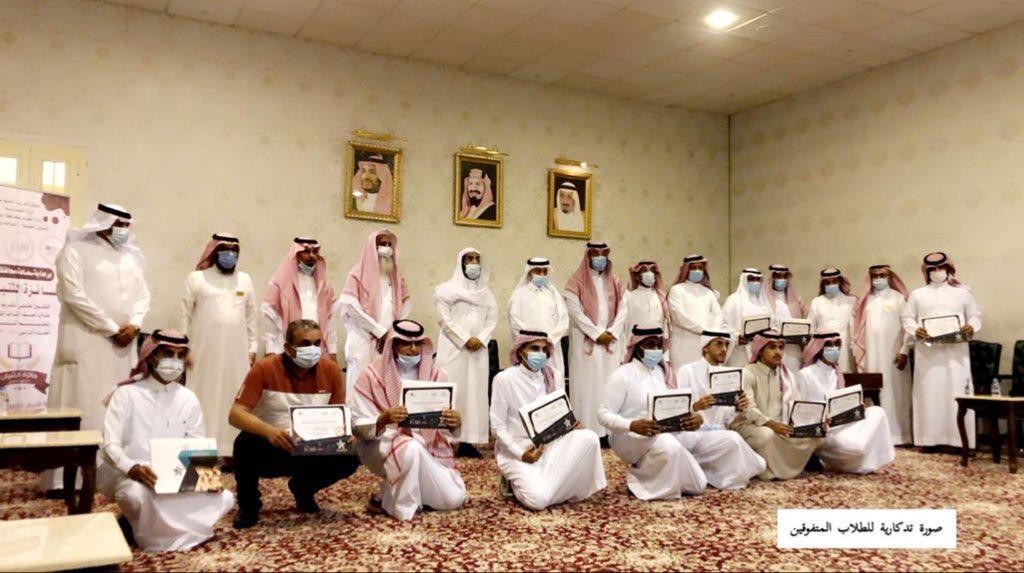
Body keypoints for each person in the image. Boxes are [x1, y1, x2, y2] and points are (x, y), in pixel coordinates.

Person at [99, 330, 234, 551]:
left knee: (226, 498)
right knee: (133, 496)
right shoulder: (126, 394)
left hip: (176, 474)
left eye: (180, 355)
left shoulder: (188, 397)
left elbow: (195, 444)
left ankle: (150, 527)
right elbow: (110, 445)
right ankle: (134, 523)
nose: (175, 361)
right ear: (151, 356)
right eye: (168, 353)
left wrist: (206, 477)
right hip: (135, 473)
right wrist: (132, 468)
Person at [48, 203, 151, 490]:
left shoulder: (130, 259)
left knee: (116, 408)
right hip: (87, 343)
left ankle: (113, 473)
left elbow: (144, 296)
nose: (123, 230)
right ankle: (66, 480)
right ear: (103, 222)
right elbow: (73, 295)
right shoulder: (75, 251)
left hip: (122, 348)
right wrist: (111, 328)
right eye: (119, 224)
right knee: (82, 404)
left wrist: (135, 325)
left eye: (127, 225)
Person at [228, 320, 359, 529]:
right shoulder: (264, 368)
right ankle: (248, 505)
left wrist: (346, 433)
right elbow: (236, 415)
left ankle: (303, 487)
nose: (313, 350)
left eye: (317, 344)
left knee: (351, 455)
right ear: (288, 348)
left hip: (313, 446)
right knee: (244, 444)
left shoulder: (331, 371)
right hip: (273, 445)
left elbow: (338, 414)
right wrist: (269, 432)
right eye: (305, 344)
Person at [350, 320, 467, 521]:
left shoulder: (437, 375)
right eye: (406, 343)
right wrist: (382, 420)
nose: (413, 349)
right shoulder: (371, 375)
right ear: (393, 345)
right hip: (381, 443)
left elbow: (445, 428)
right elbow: (356, 424)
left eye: (418, 344)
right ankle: (402, 509)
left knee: (453, 499)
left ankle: (385, 494)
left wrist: (454, 423)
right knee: (411, 448)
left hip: (429, 445)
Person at [489, 331, 606, 510]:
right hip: (520, 449)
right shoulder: (504, 379)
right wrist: (520, 453)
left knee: (589, 438)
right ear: (520, 350)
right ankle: (513, 483)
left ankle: (548, 484)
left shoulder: (553, 375)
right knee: (538, 501)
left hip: (551, 443)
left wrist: (572, 425)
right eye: (535, 348)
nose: (541, 354)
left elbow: (560, 412)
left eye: (544, 349)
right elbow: (497, 426)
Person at [599, 327, 702, 500]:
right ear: (637, 346)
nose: (655, 350)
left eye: (658, 345)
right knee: (669, 445)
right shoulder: (622, 375)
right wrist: (632, 425)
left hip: (662, 433)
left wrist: (692, 417)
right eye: (650, 345)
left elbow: (675, 406)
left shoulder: (664, 373)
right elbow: (603, 414)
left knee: (698, 483)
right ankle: (639, 480)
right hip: (628, 437)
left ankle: (658, 474)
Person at [181, 233, 257, 457]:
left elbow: (251, 317)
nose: (230, 254)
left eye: (234, 250)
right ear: (214, 252)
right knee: (203, 396)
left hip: (237, 353)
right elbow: (185, 315)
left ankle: (232, 452)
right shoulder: (197, 278)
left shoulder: (245, 280)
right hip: (204, 351)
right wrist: (183, 348)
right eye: (225, 249)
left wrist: (253, 348)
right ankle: (201, 450)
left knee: (234, 397)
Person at [901, 252, 981, 450]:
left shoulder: (963, 293)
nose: (937, 272)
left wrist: (971, 326)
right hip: (928, 353)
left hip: (956, 353)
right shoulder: (918, 294)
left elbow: (975, 315)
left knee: (957, 391)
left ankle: (960, 441)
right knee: (929, 393)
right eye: (933, 269)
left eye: (941, 268)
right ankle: (928, 440)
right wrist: (915, 330)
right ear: (927, 272)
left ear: (948, 269)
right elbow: (907, 318)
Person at [675, 329, 767, 488]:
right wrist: (696, 406)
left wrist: (738, 407)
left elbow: (726, 418)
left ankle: (713, 472)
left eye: (726, 345)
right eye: (718, 344)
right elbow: (677, 409)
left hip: (719, 432)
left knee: (755, 460)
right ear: (705, 347)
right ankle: (725, 479)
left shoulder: (729, 375)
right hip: (692, 434)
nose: (724, 349)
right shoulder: (687, 371)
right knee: (735, 442)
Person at [730, 332, 824, 480]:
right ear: (760, 350)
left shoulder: (787, 375)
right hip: (750, 426)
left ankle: (787, 466)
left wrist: (814, 422)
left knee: (817, 435)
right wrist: (772, 424)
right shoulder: (748, 373)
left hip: (780, 426)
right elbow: (748, 409)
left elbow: (797, 407)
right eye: (772, 347)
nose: (778, 352)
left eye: (781, 347)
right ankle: (767, 471)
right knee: (766, 435)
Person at [798, 333, 895, 473]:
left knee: (877, 412)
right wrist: (820, 420)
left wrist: (857, 408)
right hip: (825, 432)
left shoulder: (836, 372)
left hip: (845, 424)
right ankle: (858, 458)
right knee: (857, 446)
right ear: (818, 348)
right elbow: (800, 412)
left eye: (837, 344)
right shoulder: (805, 374)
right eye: (829, 345)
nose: (834, 348)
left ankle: (867, 457)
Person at [433, 248, 498, 450]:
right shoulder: (446, 290)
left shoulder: (486, 293)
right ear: (461, 263)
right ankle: (448, 440)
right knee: (455, 392)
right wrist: (465, 339)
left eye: (477, 259)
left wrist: (481, 339)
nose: (474, 263)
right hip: (454, 349)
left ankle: (469, 441)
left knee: (475, 394)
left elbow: (492, 319)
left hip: (478, 350)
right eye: (469, 259)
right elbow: (444, 319)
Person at [564, 242, 627, 436]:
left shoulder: (615, 281)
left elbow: (624, 309)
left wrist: (612, 332)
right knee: (588, 388)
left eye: (603, 254)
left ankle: (610, 431)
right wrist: (597, 334)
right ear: (588, 256)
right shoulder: (576, 282)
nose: (600, 258)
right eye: (595, 254)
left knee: (610, 386)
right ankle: (589, 431)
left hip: (610, 343)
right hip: (586, 345)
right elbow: (575, 312)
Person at [339, 229, 410, 397]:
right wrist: (379, 332)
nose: (387, 248)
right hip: (362, 339)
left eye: (389, 244)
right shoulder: (357, 274)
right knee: (359, 390)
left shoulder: (396, 277)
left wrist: (392, 333)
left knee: (384, 391)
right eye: (382, 244)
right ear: (372, 247)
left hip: (388, 341)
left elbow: (405, 307)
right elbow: (351, 308)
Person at [851, 264, 913, 444]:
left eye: (882, 275)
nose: (878, 279)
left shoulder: (898, 298)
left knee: (895, 392)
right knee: (874, 391)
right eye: (875, 276)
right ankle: (875, 435)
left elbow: (908, 327)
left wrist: (904, 351)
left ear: (889, 277)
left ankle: (899, 436)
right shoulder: (866, 300)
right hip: (871, 356)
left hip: (894, 356)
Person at [262, 237, 338, 359]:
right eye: (306, 251)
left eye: (314, 252)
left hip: (316, 351)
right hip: (286, 351)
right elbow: (270, 320)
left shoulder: (324, 286)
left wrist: (333, 353)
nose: (311, 256)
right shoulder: (279, 284)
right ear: (296, 254)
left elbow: (330, 323)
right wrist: (270, 352)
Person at [507, 257, 570, 384]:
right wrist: (533, 341)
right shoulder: (519, 294)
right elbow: (515, 322)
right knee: (529, 385)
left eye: (544, 271)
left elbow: (563, 320)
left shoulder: (553, 293)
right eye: (537, 271)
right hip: (531, 350)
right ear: (529, 272)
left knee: (554, 382)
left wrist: (550, 340)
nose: (541, 274)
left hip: (552, 347)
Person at [668, 254, 724, 365]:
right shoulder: (677, 290)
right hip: (683, 345)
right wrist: (702, 330)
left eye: (700, 268)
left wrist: (713, 331)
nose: (697, 271)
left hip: (706, 344)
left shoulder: (708, 293)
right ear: (686, 270)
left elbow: (718, 314)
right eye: (693, 268)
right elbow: (678, 316)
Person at [807, 268, 857, 372]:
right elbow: (811, 328)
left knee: (844, 374)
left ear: (840, 282)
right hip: (823, 349)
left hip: (844, 349)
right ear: (823, 284)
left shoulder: (851, 301)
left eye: (834, 281)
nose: (831, 284)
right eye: (827, 282)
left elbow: (855, 329)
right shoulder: (816, 302)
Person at [721, 268, 771, 367]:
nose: (755, 282)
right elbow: (723, 325)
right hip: (739, 351)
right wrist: (736, 337)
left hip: (760, 352)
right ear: (744, 280)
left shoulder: (764, 303)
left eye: (758, 279)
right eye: (751, 279)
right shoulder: (733, 300)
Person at [767, 264, 807, 373]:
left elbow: (804, 321)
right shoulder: (764, 299)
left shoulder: (796, 300)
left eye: (784, 276)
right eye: (778, 276)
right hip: (772, 348)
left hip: (792, 350)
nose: (782, 279)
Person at [623, 261, 670, 348]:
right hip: (634, 345)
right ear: (637, 276)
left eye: (652, 271)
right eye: (645, 271)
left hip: (656, 345)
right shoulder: (629, 296)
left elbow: (664, 325)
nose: (649, 274)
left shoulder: (660, 297)